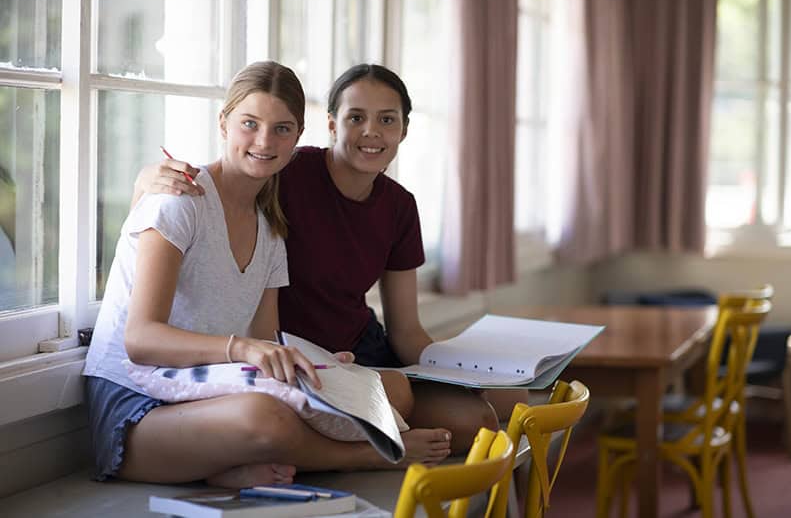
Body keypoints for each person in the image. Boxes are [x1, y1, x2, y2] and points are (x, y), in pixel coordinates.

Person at [83, 61, 451, 489]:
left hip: (209, 392)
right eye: (249, 123)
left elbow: (268, 340)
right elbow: (142, 340)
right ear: (224, 123)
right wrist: (242, 350)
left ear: (298, 137)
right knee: (264, 418)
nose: (264, 140)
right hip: (139, 402)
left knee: (391, 391)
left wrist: (318, 365)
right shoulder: (179, 202)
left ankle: (227, 469)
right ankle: (370, 456)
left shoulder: (271, 231)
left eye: (281, 128)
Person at [134, 64, 525, 454]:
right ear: (333, 125)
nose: (371, 131)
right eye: (356, 117)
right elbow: (231, 170)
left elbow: (406, 331)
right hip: (288, 357)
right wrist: (145, 181)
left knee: (487, 414)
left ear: (404, 130)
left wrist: (469, 371)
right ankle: (360, 451)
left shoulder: (400, 206)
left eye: (386, 119)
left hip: (358, 353)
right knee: (455, 422)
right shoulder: (286, 171)